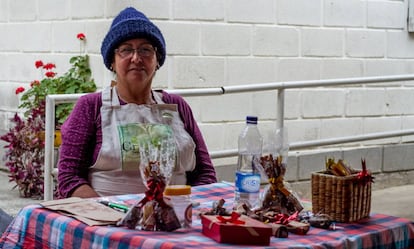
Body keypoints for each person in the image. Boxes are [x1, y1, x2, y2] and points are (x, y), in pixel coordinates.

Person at [57, 7, 217, 198]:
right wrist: (112, 213)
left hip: (177, 215)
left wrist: (183, 207)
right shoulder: (90, 107)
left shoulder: (177, 105)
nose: (136, 58)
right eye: (126, 50)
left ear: (157, 60)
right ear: (112, 62)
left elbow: (206, 174)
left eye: (145, 50)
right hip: (109, 217)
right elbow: (69, 178)